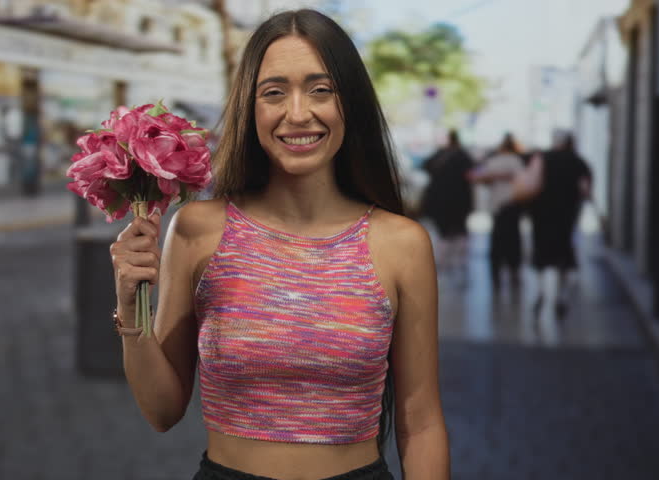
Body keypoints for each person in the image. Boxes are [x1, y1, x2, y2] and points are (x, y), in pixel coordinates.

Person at [109, 9, 449, 480]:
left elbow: (422, 424)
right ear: (251, 108)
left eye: (321, 89)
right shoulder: (196, 231)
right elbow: (162, 412)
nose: (297, 113)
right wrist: (130, 306)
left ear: (349, 100)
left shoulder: (402, 244)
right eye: (273, 92)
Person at [527, 130, 592, 317]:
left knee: (541, 254)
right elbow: (585, 189)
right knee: (563, 254)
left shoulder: (542, 158)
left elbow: (530, 183)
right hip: (565, 215)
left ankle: (541, 293)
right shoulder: (577, 161)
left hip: (541, 214)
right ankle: (560, 298)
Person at [468, 133, 526, 292]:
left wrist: (494, 177)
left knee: (498, 242)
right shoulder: (516, 161)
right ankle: (513, 272)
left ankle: (497, 275)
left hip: (498, 207)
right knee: (513, 241)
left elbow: (480, 178)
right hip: (512, 205)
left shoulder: (494, 161)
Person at [419, 129, 474, 280]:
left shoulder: (440, 154)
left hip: (439, 199)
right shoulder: (463, 156)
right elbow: (472, 173)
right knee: (460, 230)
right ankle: (459, 262)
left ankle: (443, 262)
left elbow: (425, 166)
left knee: (443, 231)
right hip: (460, 200)